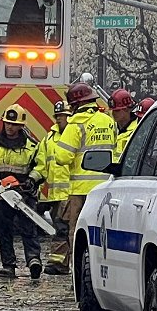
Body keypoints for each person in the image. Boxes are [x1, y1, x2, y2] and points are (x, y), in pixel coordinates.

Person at [43, 82, 117, 275]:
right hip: (106, 188)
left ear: (74, 105)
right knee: (103, 233)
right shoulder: (108, 121)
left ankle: (80, 276)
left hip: (80, 191)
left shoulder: (75, 124)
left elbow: (62, 157)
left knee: (77, 234)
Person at [0, 105, 45, 279]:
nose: (9, 127)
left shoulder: (32, 146)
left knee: (29, 228)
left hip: (24, 195)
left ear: (21, 126)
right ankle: (8, 265)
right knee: (4, 230)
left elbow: (41, 166)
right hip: (1, 195)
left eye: (14, 124)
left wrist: (32, 180)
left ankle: (33, 260)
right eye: (7, 123)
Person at [36, 100, 72, 220]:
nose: (58, 119)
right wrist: (37, 192)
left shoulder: (77, 135)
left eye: (62, 115)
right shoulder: (48, 139)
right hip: (54, 196)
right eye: (57, 116)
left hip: (72, 195)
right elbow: (41, 166)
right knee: (59, 230)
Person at [109, 89, 137, 162]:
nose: (113, 113)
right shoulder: (111, 128)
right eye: (112, 110)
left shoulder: (138, 130)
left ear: (127, 109)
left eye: (117, 110)